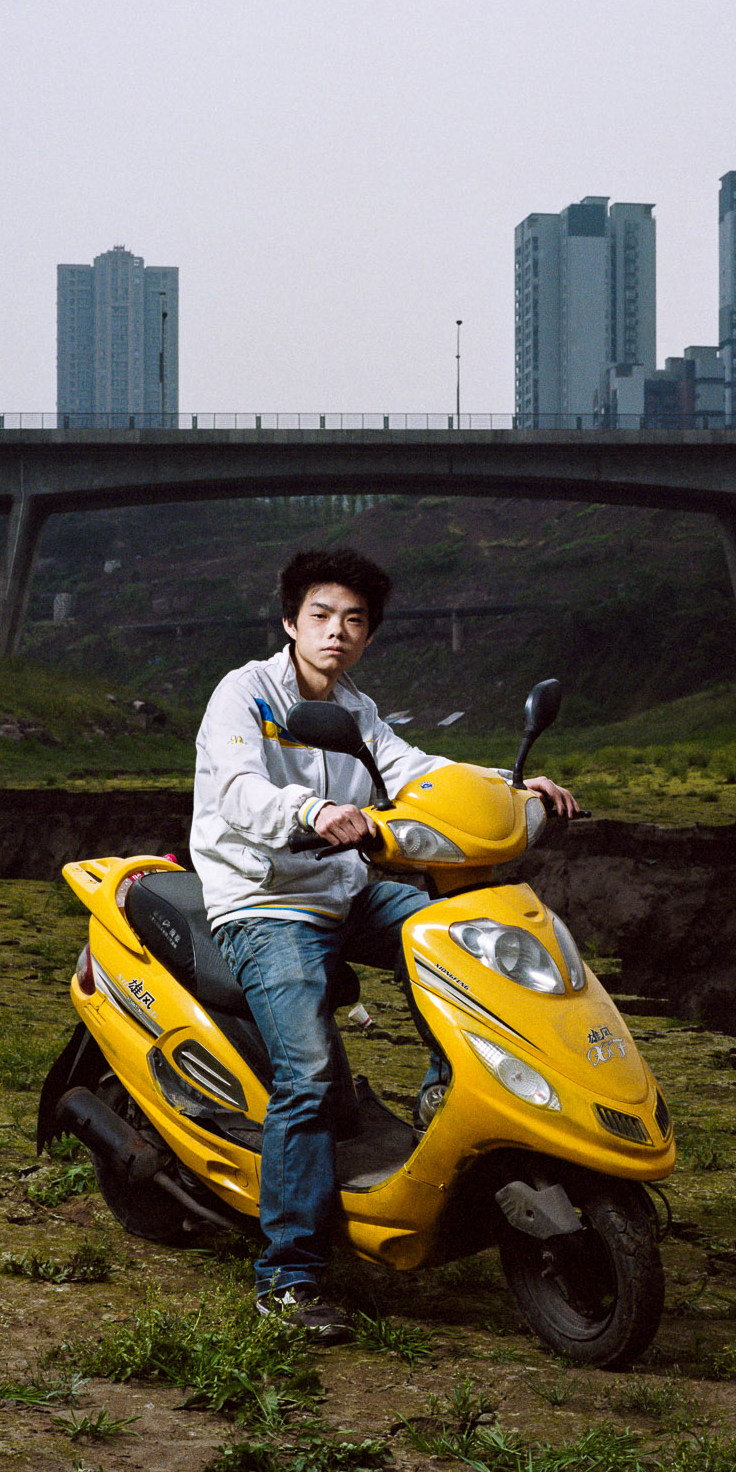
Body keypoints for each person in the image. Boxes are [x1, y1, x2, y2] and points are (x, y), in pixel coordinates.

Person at [190, 547, 578, 1338]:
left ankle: (448, 1086)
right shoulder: (245, 694)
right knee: (307, 1072)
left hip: (347, 892)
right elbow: (236, 787)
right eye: (323, 616)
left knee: (463, 937)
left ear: (368, 637)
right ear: (292, 621)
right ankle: (288, 1278)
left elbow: (414, 770)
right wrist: (309, 812)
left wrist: (513, 791)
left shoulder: (358, 712)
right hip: (266, 904)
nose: (338, 632)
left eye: (355, 621)